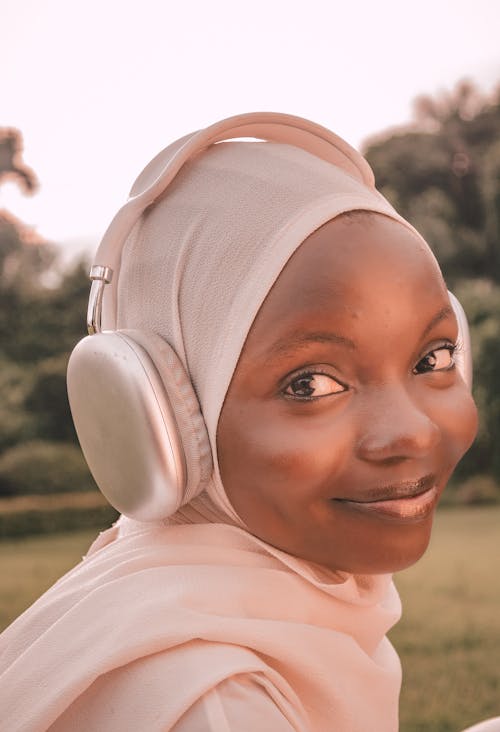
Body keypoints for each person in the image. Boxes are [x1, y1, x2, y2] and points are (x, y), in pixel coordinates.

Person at [0, 112, 481, 730]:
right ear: (166, 417)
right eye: (311, 384)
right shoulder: (211, 701)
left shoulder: (235, 610)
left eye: (432, 358)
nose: (412, 432)